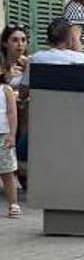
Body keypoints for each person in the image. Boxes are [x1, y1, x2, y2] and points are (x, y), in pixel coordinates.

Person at [0, 25, 28, 191]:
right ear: (5, 44)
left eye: (23, 40)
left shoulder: (26, 64)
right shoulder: (2, 66)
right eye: (15, 40)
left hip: (19, 109)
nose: (20, 44)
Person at [0, 73, 19, 218]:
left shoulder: (5, 89)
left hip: (3, 135)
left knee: (7, 172)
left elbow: (12, 113)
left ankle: (13, 204)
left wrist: (12, 134)